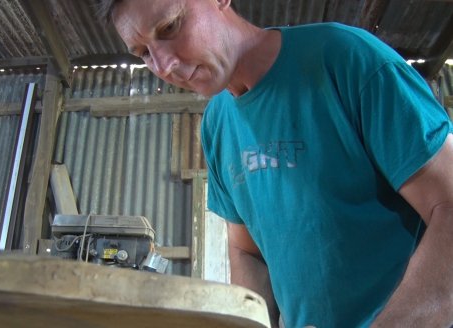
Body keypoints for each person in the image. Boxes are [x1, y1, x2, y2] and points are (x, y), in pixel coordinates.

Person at [97, 0, 453, 327]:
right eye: (144, 52)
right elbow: (246, 250)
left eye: (171, 27)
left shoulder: (346, 60)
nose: (164, 65)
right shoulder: (217, 122)